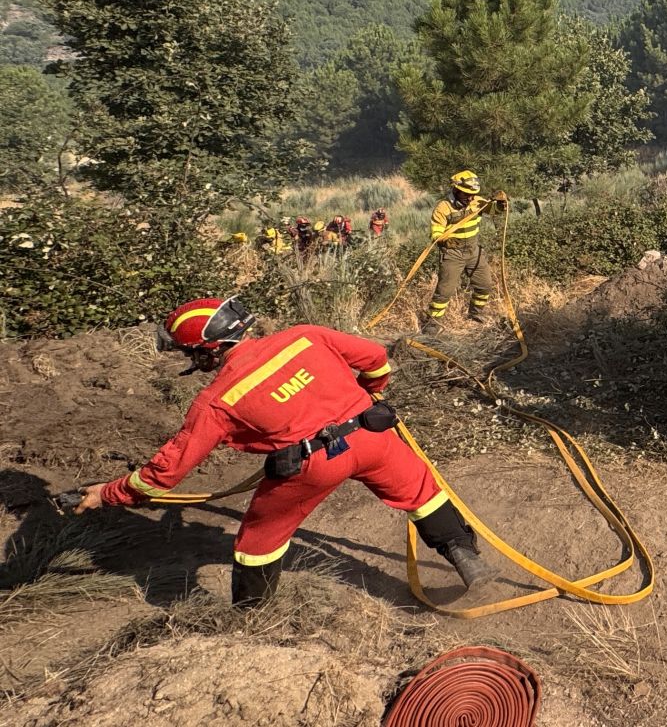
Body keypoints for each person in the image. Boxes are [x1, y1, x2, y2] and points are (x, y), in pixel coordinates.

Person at [72, 297, 489, 607]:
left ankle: (253, 615)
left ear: (208, 350)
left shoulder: (216, 400)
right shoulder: (304, 337)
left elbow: (165, 473)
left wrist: (109, 492)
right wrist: (371, 393)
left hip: (311, 465)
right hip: (374, 437)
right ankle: (466, 559)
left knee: (259, 540)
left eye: (189, 352)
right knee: (423, 494)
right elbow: (377, 357)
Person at [425, 170, 505, 331]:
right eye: (466, 194)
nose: (470, 198)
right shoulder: (443, 208)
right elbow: (435, 232)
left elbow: (493, 211)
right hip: (452, 254)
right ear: (456, 190)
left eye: (472, 194)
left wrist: (501, 204)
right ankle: (432, 325)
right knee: (444, 292)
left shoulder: (477, 202)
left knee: (485, 286)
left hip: (474, 252)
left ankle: (476, 314)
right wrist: (445, 239)